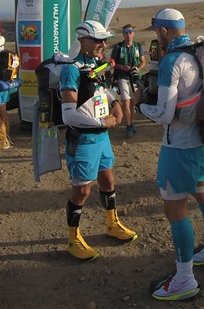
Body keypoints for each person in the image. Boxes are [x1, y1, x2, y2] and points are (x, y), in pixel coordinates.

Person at [139, 8, 204, 302]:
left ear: (164, 31)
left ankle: (184, 279)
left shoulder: (172, 61)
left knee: (176, 212)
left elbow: (165, 115)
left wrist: (140, 106)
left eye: (157, 32)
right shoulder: (200, 53)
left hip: (179, 146)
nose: (157, 37)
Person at [61, 20, 137, 262]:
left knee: (108, 180)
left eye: (104, 40)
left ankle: (111, 223)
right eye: (97, 40)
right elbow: (68, 115)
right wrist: (103, 122)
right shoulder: (71, 70)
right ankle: (73, 238)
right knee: (82, 190)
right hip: (83, 139)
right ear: (81, 40)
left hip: (101, 137)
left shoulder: (95, 64)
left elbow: (102, 90)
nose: (102, 44)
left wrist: (116, 104)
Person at [110, 24, 149, 138]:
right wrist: (122, 67)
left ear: (133, 34)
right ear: (123, 34)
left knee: (132, 102)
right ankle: (128, 125)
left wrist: (137, 69)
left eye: (130, 32)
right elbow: (112, 63)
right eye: (126, 32)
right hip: (122, 77)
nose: (128, 34)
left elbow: (143, 61)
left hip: (134, 78)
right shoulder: (118, 47)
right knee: (126, 101)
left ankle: (131, 123)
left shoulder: (138, 46)